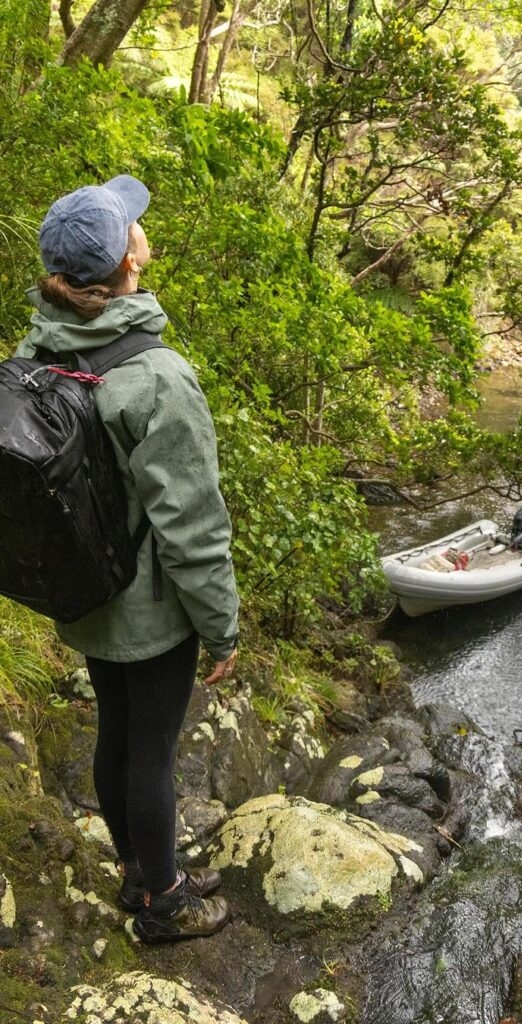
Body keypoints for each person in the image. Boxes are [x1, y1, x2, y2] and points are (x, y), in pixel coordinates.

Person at [15, 175, 240, 944]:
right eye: (133, 229)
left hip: (81, 591)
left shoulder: (34, 349)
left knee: (116, 731)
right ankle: (163, 901)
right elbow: (192, 524)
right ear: (126, 267)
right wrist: (222, 627)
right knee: (152, 750)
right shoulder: (156, 376)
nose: (143, 230)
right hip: (148, 604)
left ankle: (138, 867)